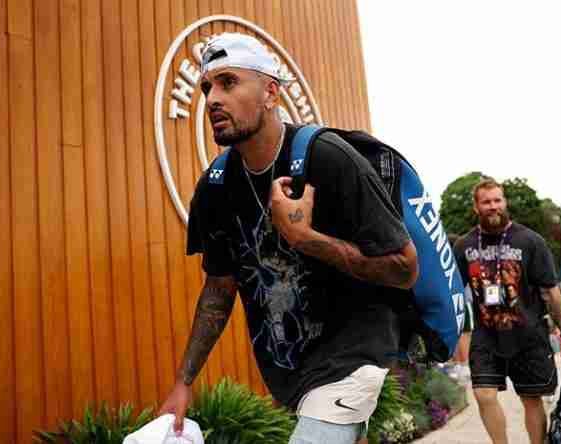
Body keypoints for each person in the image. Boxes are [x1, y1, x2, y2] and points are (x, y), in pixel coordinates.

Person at [158, 33, 419, 444]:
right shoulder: (215, 187)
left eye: (228, 82)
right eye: (207, 88)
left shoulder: (328, 157)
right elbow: (219, 290)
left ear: (270, 93)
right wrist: (183, 382)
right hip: (291, 372)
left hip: (354, 356)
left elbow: (404, 269)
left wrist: (304, 238)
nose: (212, 99)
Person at [452, 178, 561, 444]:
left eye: (497, 200)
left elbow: (550, 291)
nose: (493, 206)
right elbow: (452, 291)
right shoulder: (464, 245)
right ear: (476, 207)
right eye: (486, 202)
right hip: (486, 336)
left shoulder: (530, 241)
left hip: (528, 335)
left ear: (505, 202)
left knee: (531, 399)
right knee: (484, 395)